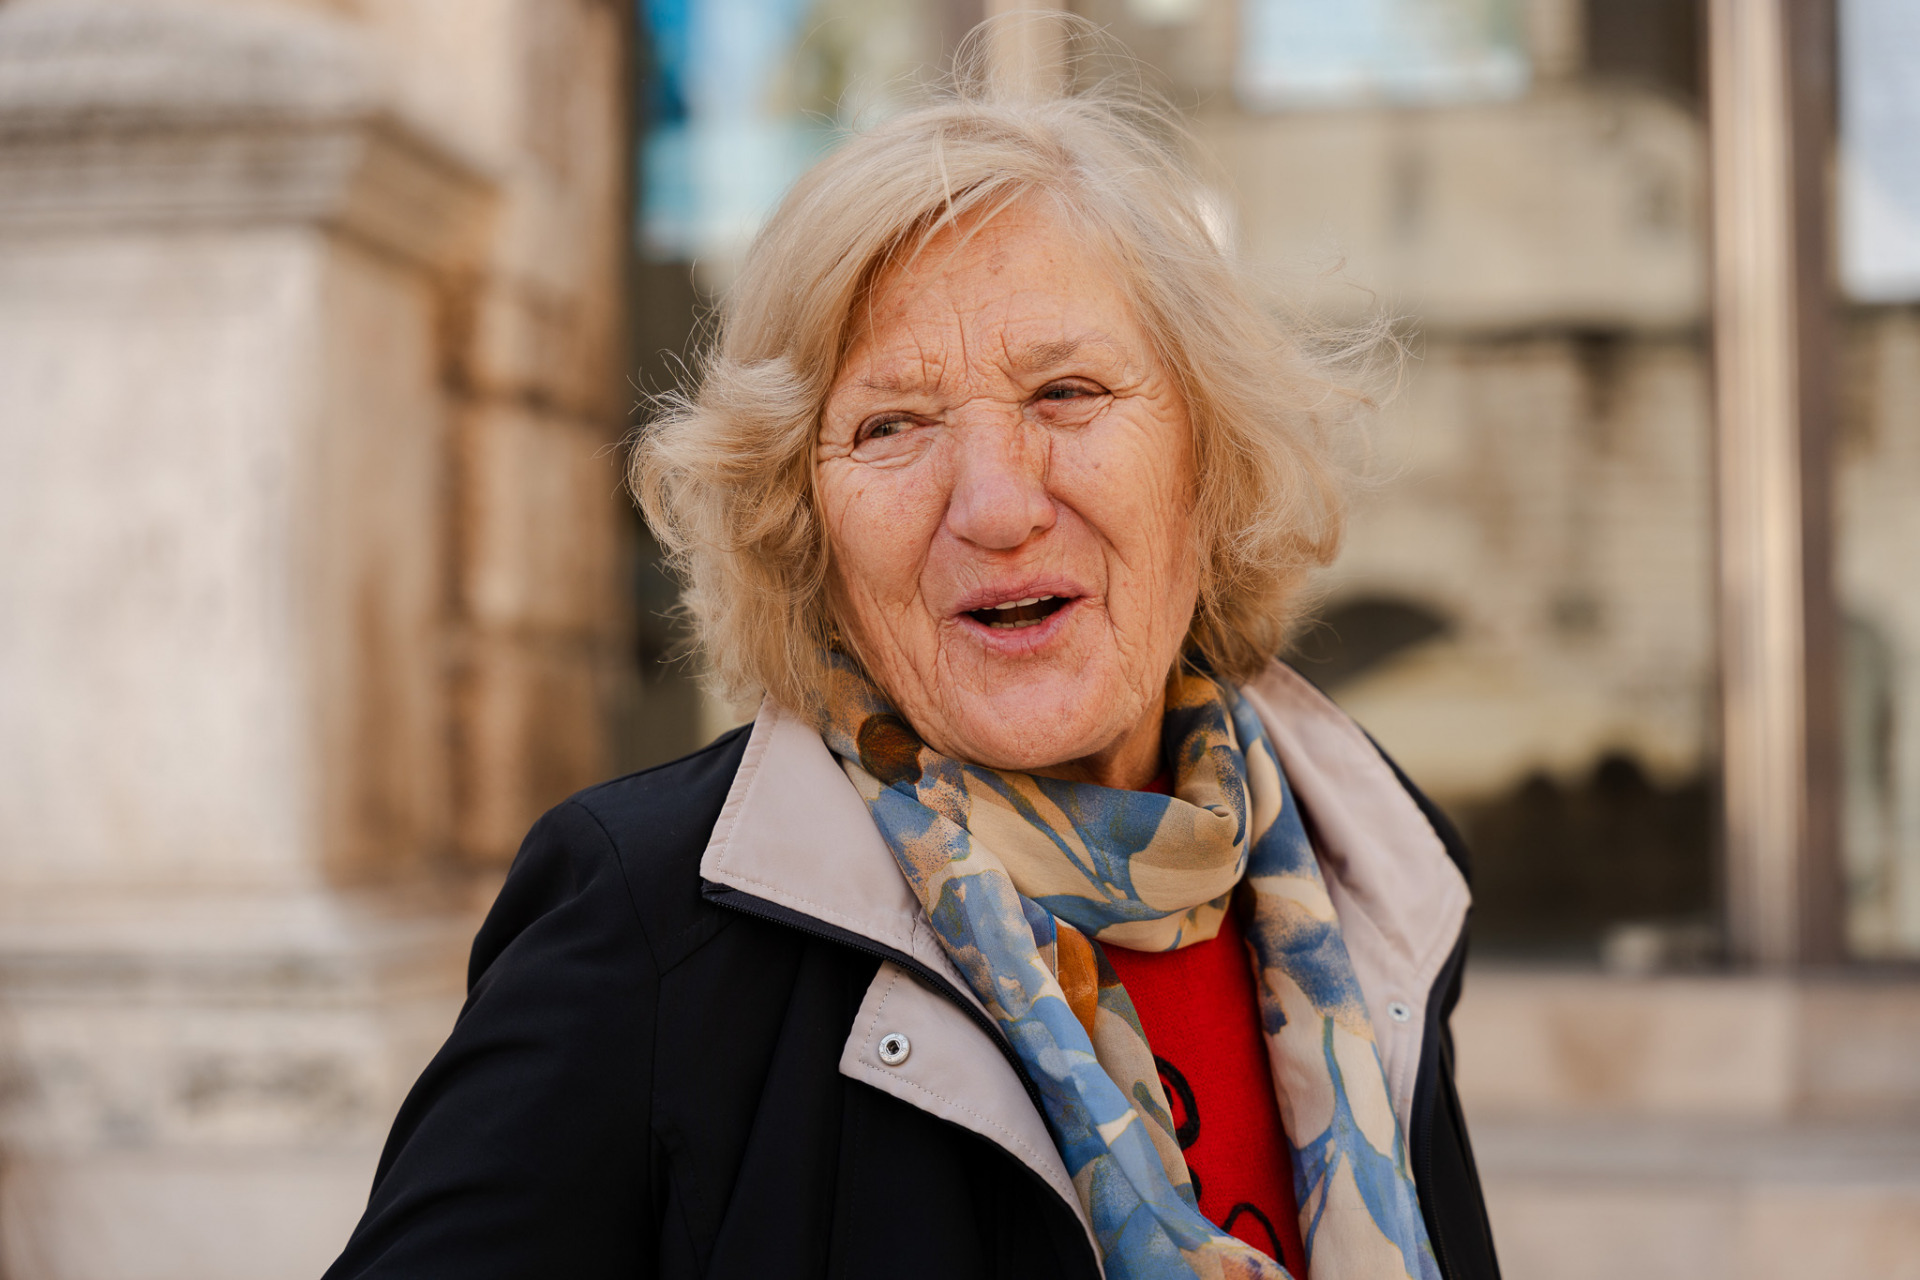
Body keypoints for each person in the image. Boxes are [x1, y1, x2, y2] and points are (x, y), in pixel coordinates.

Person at [324, 27, 1499, 1280]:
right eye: (891, 425)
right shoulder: (648, 923)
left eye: (1067, 393)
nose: (996, 504)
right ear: (803, 524)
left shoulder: (1368, 866)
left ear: (1205, 462)